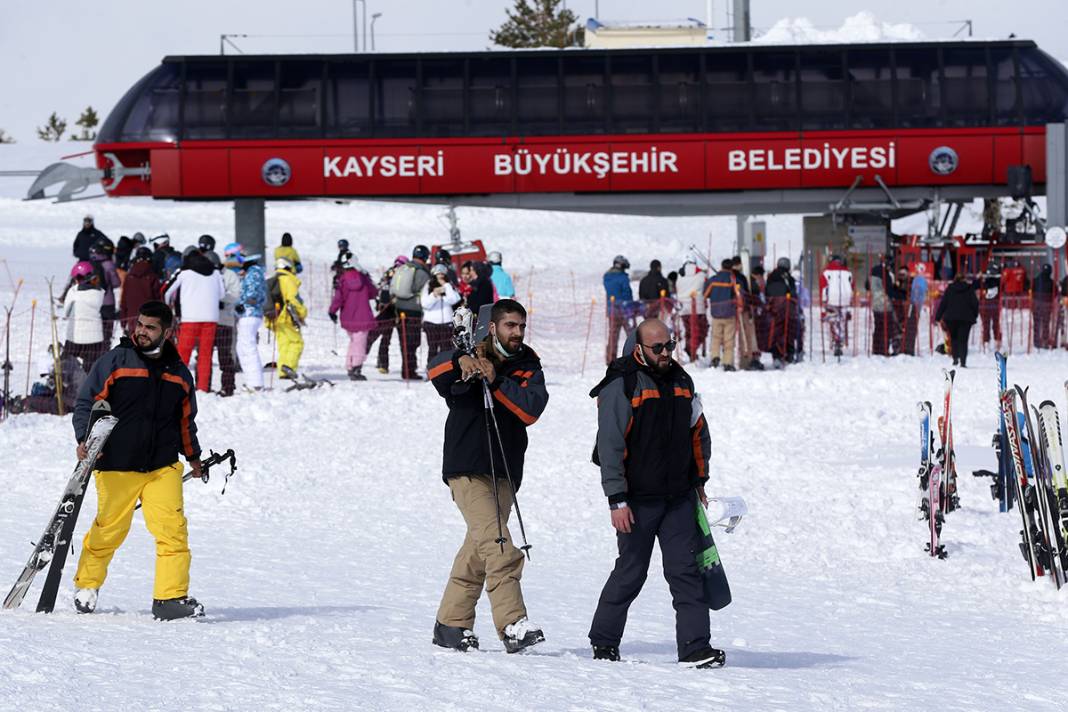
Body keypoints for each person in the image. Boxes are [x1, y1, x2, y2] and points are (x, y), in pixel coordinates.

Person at [587, 318, 720, 668]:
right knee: (631, 572)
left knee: (686, 572)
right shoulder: (623, 384)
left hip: (678, 498)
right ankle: (603, 641)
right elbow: (611, 446)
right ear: (639, 348)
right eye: (657, 347)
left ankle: (695, 648)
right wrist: (616, 499)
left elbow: (698, 434)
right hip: (637, 501)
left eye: (669, 345)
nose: (665, 353)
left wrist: (699, 482)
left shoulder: (681, 381)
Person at [70, 300, 205, 621]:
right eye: (140, 325)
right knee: (110, 528)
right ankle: (87, 585)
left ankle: (170, 598)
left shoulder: (180, 374)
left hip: (162, 466)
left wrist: (194, 457)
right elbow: (88, 402)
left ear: (167, 332)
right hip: (117, 462)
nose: (141, 332)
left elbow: (186, 421)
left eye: (150, 327)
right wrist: (84, 439)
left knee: (173, 531)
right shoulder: (116, 361)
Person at [428, 299, 548, 654]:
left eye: (522, 326)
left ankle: (451, 624)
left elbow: (530, 409)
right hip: (466, 468)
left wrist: (496, 382)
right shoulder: (467, 354)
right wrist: (458, 361)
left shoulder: (528, 364)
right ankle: (512, 623)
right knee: (498, 543)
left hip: (505, 471)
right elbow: (435, 371)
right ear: (493, 327)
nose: (518, 333)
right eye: (511, 326)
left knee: (478, 550)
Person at [165, 250, 224, 392]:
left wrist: (169, 308)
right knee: (205, 354)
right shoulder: (215, 272)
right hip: (211, 318)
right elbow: (222, 294)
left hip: (190, 318)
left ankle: (176, 386)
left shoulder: (184, 273)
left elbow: (167, 290)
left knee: (183, 354)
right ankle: (203, 388)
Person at [328, 252, 376, 381]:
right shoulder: (363, 277)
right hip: (363, 315)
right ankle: (356, 367)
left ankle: (350, 366)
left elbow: (338, 298)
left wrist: (332, 311)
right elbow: (373, 293)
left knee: (354, 342)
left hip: (347, 316)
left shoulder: (342, 279)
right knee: (360, 343)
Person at [390, 245, 432, 380]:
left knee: (405, 342)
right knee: (412, 342)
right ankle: (409, 371)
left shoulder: (404, 268)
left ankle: (407, 370)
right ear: (425, 257)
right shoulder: (422, 273)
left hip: (399, 309)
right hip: (414, 311)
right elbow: (426, 291)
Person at [267, 257, 308, 379]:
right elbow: (294, 300)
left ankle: (283, 371)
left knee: (284, 344)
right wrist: (302, 313)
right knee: (296, 342)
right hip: (287, 317)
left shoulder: (273, 280)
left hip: (274, 317)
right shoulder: (289, 280)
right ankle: (288, 367)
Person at [63, 261, 106, 372]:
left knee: (67, 366)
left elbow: (65, 312)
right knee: (91, 371)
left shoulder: (73, 292)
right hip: (95, 339)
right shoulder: (100, 293)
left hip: (75, 337)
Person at [366, 256, 406, 374]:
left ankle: (382, 363)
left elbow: (379, 289)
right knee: (387, 338)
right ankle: (383, 363)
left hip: (386, 309)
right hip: (393, 310)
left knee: (385, 338)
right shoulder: (400, 275)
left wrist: (379, 303)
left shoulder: (387, 274)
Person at [234, 252, 267, 390]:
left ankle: (256, 383)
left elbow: (253, 292)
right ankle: (251, 381)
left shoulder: (253, 273)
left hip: (249, 312)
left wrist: (243, 302)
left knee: (247, 346)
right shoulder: (254, 272)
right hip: (248, 313)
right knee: (242, 347)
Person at [214, 244, 243, 396]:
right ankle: (202, 386)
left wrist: (223, 300)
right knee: (204, 356)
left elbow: (236, 294)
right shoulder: (207, 274)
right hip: (207, 321)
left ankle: (228, 386)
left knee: (225, 355)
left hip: (225, 320)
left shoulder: (229, 274)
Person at [935, 271, 979, 367]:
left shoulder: (950, 289)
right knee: (963, 340)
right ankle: (963, 362)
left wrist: (938, 317)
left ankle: (955, 359)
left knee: (954, 339)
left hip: (951, 318)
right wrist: (974, 315)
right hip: (966, 318)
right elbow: (975, 303)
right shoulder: (969, 289)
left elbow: (944, 303)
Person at [421, 263, 462, 367]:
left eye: (442, 275)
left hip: (447, 322)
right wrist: (434, 294)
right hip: (431, 323)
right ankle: (431, 369)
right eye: (438, 275)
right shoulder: (428, 285)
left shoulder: (449, 285)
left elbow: (454, 299)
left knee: (446, 349)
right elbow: (425, 304)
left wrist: (446, 286)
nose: (440, 277)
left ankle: (445, 370)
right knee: (432, 348)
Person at [704, 259, 739, 371]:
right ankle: (728, 362)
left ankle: (715, 357)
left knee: (715, 337)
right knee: (729, 339)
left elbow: (705, 294)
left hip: (716, 313)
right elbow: (738, 295)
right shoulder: (733, 279)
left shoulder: (713, 280)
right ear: (731, 267)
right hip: (729, 313)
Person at [764, 257, 798, 368]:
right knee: (789, 331)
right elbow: (793, 294)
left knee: (775, 332)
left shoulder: (770, 277)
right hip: (787, 309)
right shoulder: (789, 278)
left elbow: (766, 292)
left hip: (773, 309)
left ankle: (776, 355)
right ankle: (789, 353)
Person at [118, 247, 161, 335]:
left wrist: (123, 322)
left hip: (132, 320)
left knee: (134, 344)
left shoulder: (129, 277)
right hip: (149, 320)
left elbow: (124, 301)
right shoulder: (153, 277)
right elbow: (158, 299)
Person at [89, 237, 122, 345]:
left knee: (94, 332)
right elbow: (116, 283)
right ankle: (105, 353)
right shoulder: (109, 264)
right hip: (107, 302)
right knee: (107, 333)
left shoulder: (90, 262)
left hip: (92, 301)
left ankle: (94, 354)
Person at [603, 255, 635, 365]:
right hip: (624, 310)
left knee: (613, 336)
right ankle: (634, 357)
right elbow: (627, 293)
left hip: (612, 310)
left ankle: (610, 359)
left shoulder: (607, 277)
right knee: (632, 335)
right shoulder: (623, 277)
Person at [675, 259, 708, 363]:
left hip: (684, 309)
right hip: (698, 309)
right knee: (701, 331)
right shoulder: (702, 275)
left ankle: (690, 349)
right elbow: (706, 287)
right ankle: (691, 350)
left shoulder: (679, 277)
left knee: (689, 331)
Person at [820, 255, 853, 357]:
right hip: (845, 298)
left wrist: (824, 302)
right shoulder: (848, 272)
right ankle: (840, 341)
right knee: (842, 322)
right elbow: (852, 285)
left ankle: (836, 340)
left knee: (833, 320)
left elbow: (823, 287)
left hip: (832, 298)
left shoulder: (826, 272)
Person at [868, 257, 897, 356]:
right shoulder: (885, 274)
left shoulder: (872, 272)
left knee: (878, 328)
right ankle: (884, 350)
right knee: (886, 329)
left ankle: (876, 349)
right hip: (885, 305)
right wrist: (901, 295)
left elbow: (867, 286)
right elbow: (889, 291)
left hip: (875, 304)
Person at [976, 263, 1002, 350]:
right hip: (994, 305)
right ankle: (996, 341)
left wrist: (978, 278)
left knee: (986, 324)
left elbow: (974, 285)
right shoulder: (998, 281)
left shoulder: (984, 281)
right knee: (995, 324)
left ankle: (987, 342)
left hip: (986, 305)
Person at [1032, 263, 1056, 349]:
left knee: (1037, 323)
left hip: (1036, 304)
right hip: (1046, 305)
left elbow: (1031, 289)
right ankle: (1045, 341)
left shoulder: (1035, 280)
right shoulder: (1051, 282)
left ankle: (1037, 341)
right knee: (1045, 323)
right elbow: (1055, 293)